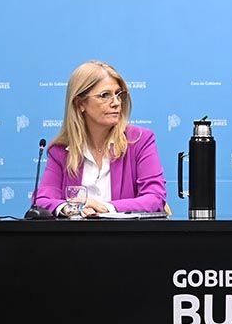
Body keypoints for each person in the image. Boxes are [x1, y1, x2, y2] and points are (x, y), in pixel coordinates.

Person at [35, 60, 166, 215]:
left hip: (128, 237)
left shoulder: (140, 140)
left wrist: (106, 208)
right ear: (79, 103)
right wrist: (71, 208)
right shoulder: (60, 151)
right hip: (76, 238)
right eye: (105, 95)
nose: (117, 103)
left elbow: (155, 198)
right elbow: (41, 201)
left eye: (119, 94)